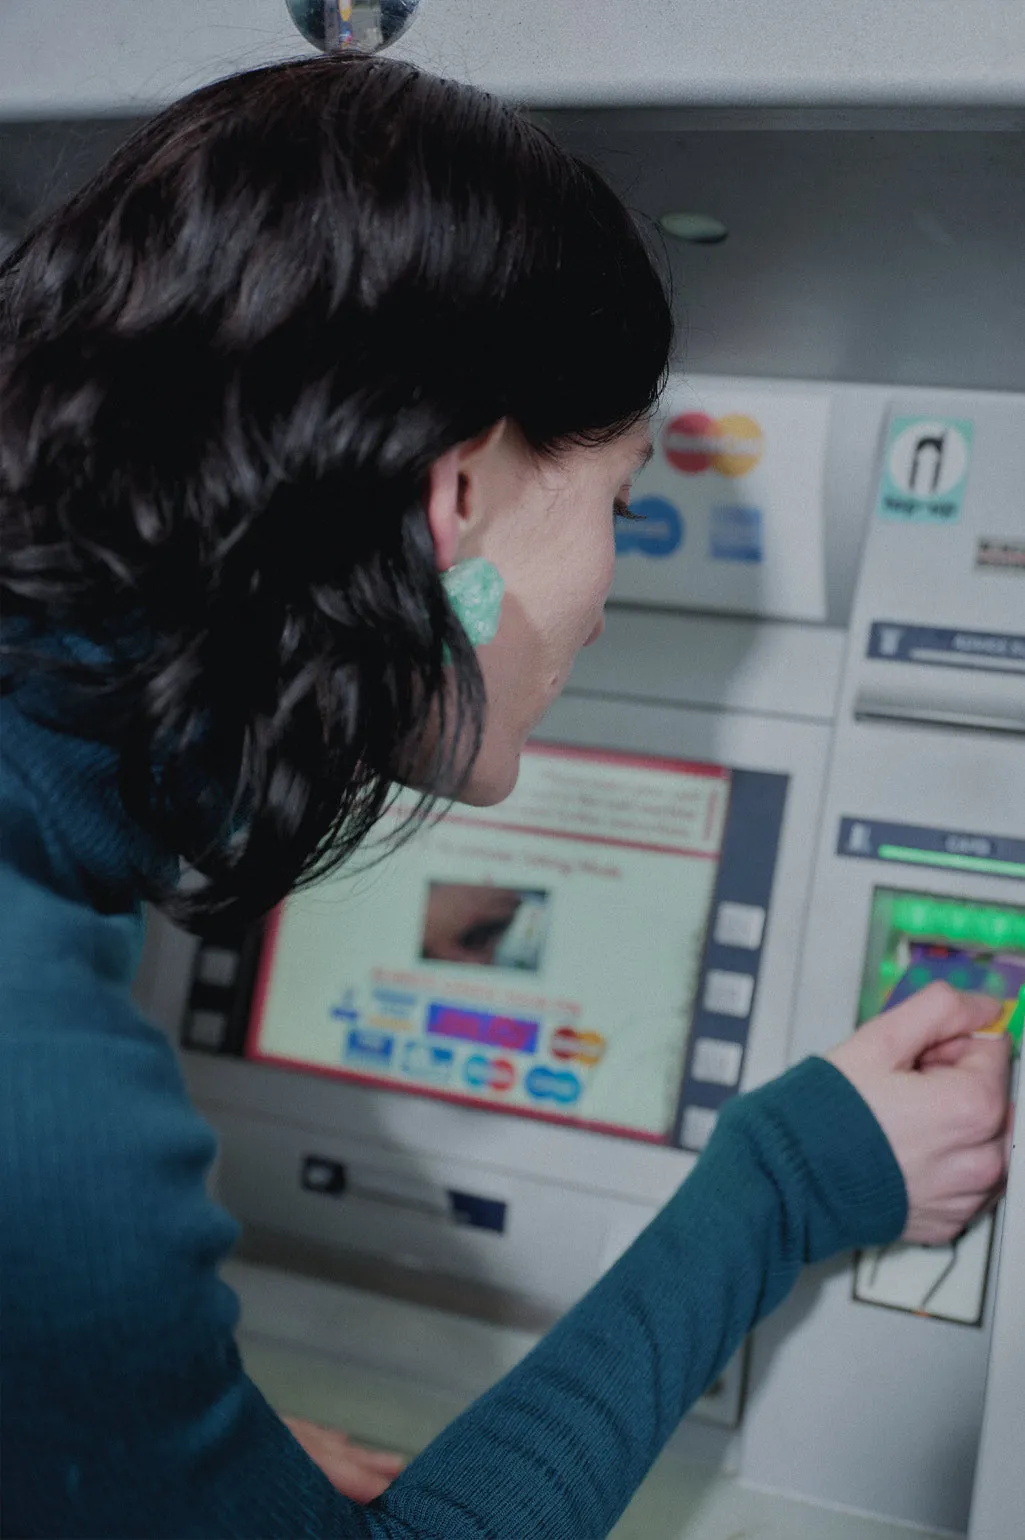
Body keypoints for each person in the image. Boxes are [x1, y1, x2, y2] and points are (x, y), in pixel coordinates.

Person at [0, 53, 1011, 1540]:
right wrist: (788, 1177)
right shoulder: (50, 1092)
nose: (608, 593)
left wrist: (136, 1423)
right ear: (454, 499)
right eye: (616, 502)